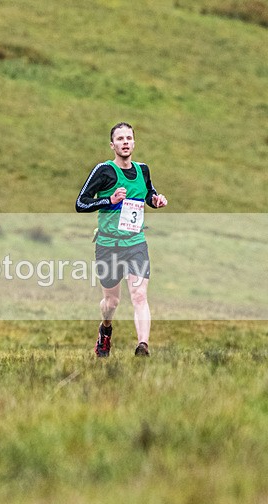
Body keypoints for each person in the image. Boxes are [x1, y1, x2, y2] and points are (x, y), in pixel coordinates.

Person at [75, 122, 168, 357]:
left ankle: (143, 346)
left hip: (135, 243)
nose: (125, 142)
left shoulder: (143, 170)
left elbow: (148, 192)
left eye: (128, 138)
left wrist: (155, 200)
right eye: (120, 139)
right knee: (111, 302)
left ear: (134, 142)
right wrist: (110, 200)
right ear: (112, 145)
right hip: (108, 245)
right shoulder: (104, 171)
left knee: (139, 295)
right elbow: (81, 203)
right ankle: (105, 330)